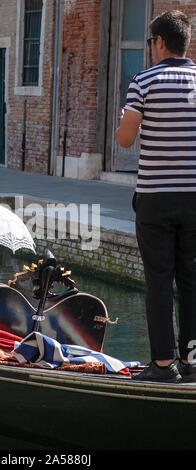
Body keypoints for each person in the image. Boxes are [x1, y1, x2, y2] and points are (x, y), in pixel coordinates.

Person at [116, 10, 196, 383]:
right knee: (192, 280)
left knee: (160, 281)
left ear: (160, 42)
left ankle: (164, 366)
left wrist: (127, 120)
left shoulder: (143, 82)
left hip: (156, 199)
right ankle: (193, 361)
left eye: (151, 42)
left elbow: (126, 140)